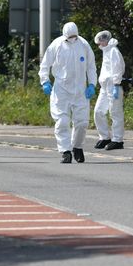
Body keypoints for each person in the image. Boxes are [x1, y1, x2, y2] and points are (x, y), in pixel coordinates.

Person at [39, 22, 97, 163]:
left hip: (80, 90)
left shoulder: (83, 44)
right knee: (62, 121)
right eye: (69, 37)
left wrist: (92, 84)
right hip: (62, 90)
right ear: (64, 35)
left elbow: (91, 66)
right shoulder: (56, 45)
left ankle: (77, 146)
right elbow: (45, 65)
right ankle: (65, 151)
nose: (72, 39)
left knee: (82, 122)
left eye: (74, 36)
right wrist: (45, 81)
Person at [93, 30, 126, 150]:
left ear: (105, 40)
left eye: (100, 42)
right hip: (104, 87)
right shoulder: (106, 51)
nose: (99, 45)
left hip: (113, 86)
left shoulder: (113, 51)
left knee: (115, 113)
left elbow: (118, 68)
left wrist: (116, 85)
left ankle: (117, 140)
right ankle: (104, 137)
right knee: (98, 111)